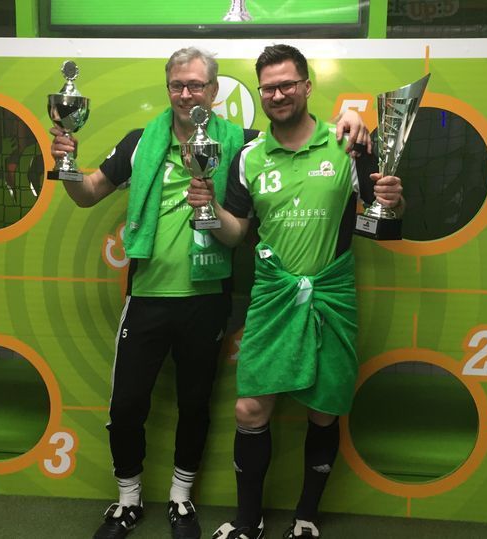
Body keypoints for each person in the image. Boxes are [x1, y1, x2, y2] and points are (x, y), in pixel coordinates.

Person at [49, 47, 371, 539]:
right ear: (168, 88)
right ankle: (127, 501)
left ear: (214, 91)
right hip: (148, 295)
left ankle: (181, 500)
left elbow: (298, 136)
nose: (186, 93)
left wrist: (352, 120)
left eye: (196, 84)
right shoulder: (140, 142)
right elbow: (89, 192)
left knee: (195, 404)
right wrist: (67, 164)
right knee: (127, 406)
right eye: (177, 84)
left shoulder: (242, 143)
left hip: (209, 296)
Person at [186, 44, 404, 539]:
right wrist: (208, 207)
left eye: (287, 84)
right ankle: (248, 522)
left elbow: (385, 218)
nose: (278, 94)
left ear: (307, 85)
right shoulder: (248, 156)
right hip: (272, 295)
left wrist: (395, 199)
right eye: (268, 88)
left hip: (332, 294)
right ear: (260, 93)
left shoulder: (348, 143)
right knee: (249, 409)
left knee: (324, 411)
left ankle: (306, 517)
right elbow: (236, 235)